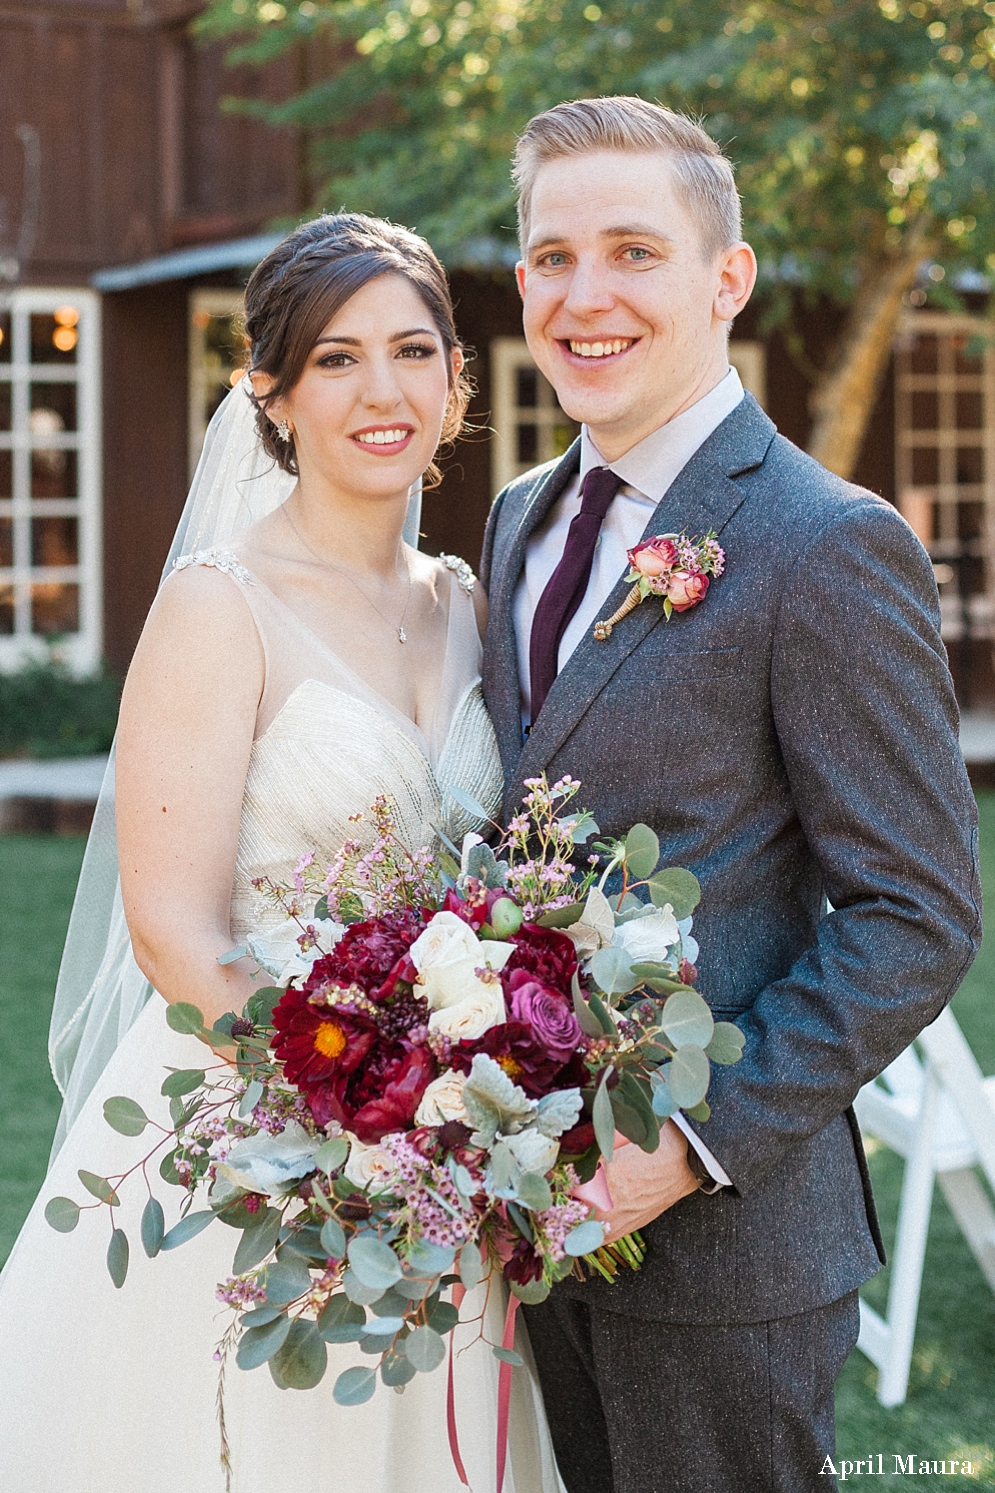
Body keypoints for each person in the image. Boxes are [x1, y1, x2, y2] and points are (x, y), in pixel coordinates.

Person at [0, 214, 563, 1493]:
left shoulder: (469, 600)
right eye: (335, 359)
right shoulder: (219, 603)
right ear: (272, 393)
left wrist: (460, 1102)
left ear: (456, 383)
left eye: (414, 351)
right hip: (267, 1121)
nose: (383, 391)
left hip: (458, 1140)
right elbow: (174, 935)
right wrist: (370, 1106)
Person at [480, 97, 982, 1493]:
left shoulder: (825, 545)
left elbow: (916, 910)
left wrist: (685, 1146)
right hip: (529, 1224)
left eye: (632, 251)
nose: (584, 297)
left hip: (726, 1256)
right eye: (549, 256)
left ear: (725, 277)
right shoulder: (517, 517)